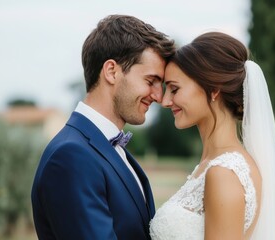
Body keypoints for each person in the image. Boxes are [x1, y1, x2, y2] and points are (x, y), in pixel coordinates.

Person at [31, 14, 175, 240]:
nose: (158, 96)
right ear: (111, 72)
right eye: (150, 81)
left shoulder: (107, 149)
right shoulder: (71, 157)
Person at [149, 32, 275, 239]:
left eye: (175, 89)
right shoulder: (215, 165)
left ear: (213, 90)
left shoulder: (224, 173)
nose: (165, 101)